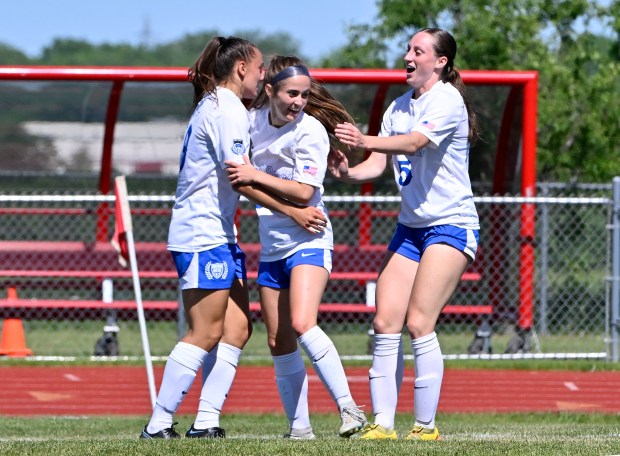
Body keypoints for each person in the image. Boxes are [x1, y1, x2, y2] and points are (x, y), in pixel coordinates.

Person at [141, 37, 325, 440]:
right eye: (260, 69)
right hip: (202, 232)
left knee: (238, 329)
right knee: (205, 332)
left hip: (218, 233)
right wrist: (293, 210)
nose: (263, 76)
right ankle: (158, 424)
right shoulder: (228, 110)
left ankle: (206, 422)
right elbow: (239, 178)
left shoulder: (217, 104)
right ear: (241, 68)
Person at [329, 28, 480, 440]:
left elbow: (414, 143)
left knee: (419, 322)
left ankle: (425, 427)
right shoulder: (397, 107)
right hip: (411, 228)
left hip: (450, 224)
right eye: (408, 49)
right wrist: (345, 172)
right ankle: (383, 425)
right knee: (385, 320)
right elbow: (376, 166)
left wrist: (363, 138)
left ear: (441, 61)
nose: (408, 56)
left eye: (419, 51)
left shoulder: (447, 100)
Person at [225, 55, 367, 439]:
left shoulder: (311, 132)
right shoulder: (250, 123)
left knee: (303, 323)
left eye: (304, 95)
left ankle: (349, 408)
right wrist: (281, 203)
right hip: (273, 245)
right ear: (269, 91)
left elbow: (305, 193)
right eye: (291, 93)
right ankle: (299, 428)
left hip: (310, 237)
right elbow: (242, 183)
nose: (299, 102)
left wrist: (257, 176)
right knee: (278, 338)